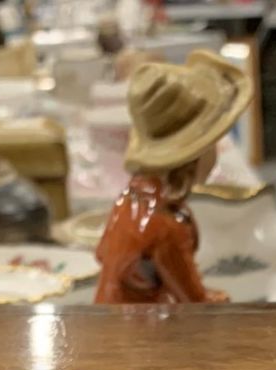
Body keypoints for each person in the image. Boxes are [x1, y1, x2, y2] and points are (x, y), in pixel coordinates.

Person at [93, 51, 253, 305]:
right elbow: (193, 299)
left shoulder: (129, 198)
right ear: (193, 156)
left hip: (110, 313)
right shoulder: (166, 225)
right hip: (138, 334)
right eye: (213, 144)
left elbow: (103, 254)